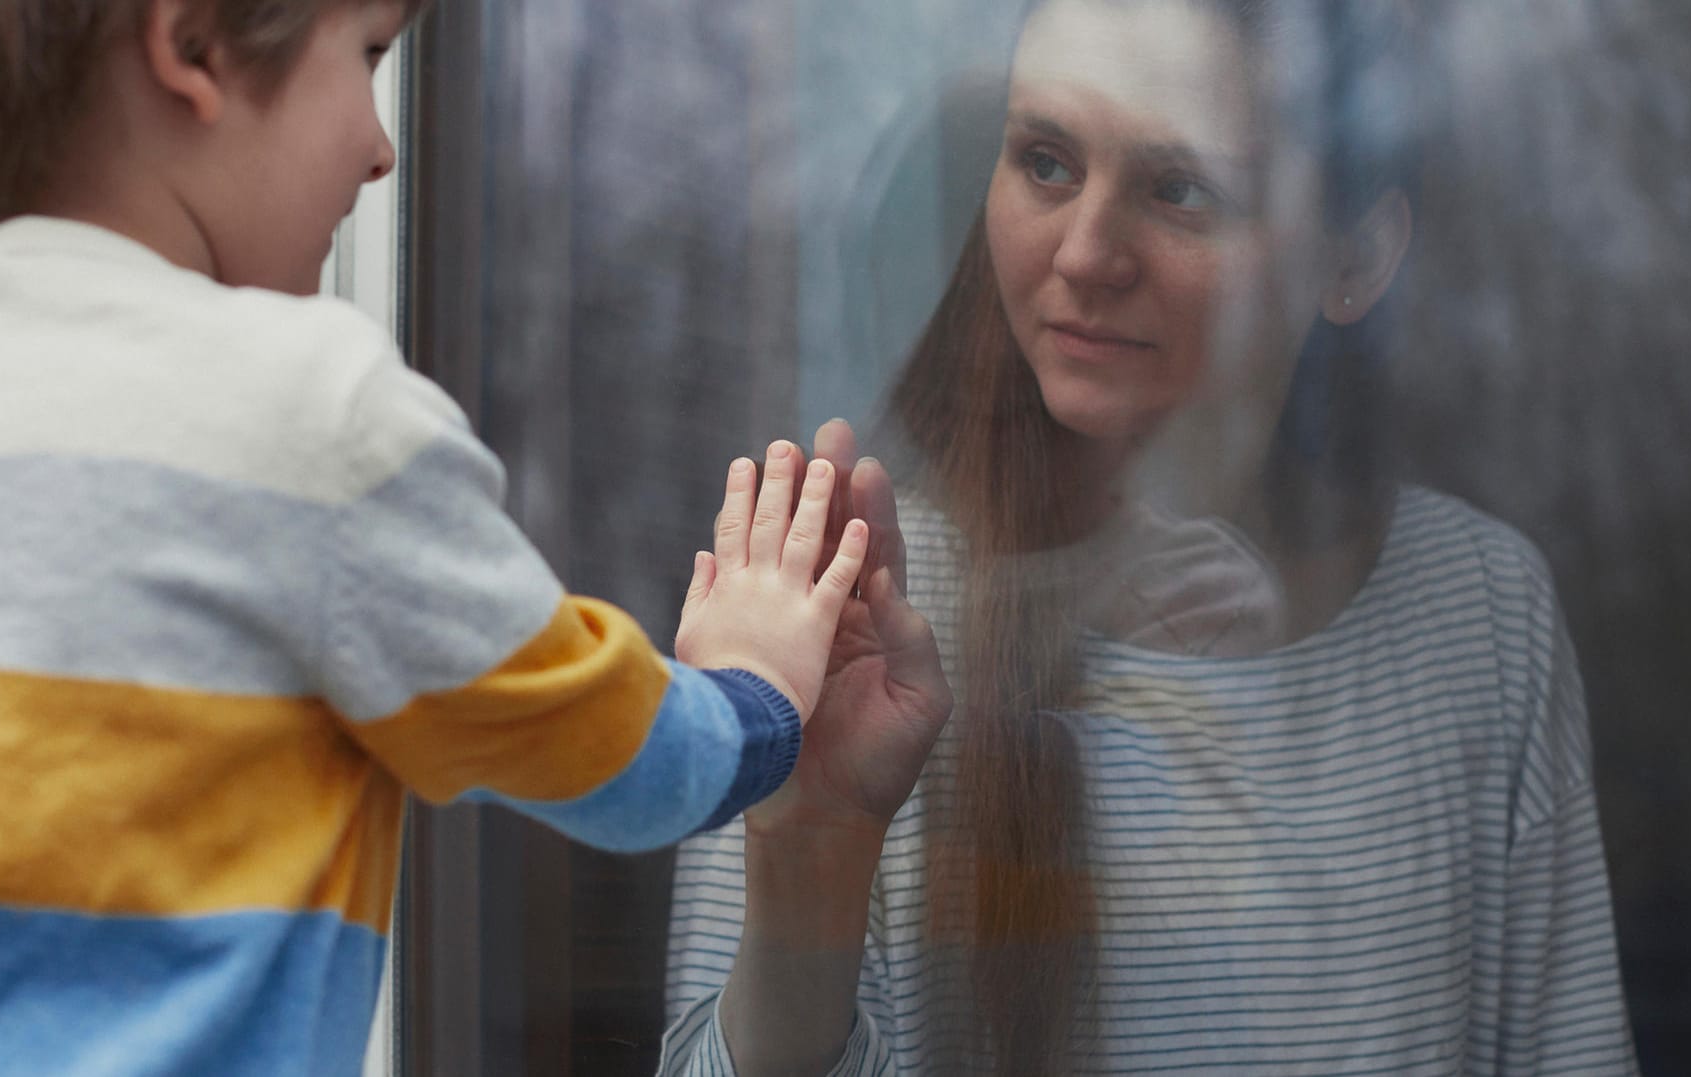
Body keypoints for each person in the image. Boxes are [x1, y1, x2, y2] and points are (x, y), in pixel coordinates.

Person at [0, 0, 872, 1071]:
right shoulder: (304, 407)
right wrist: (760, 691)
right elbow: (628, 766)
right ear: (192, 50)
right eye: (367, 57)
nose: (382, 153)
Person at [661, 1, 1639, 1074]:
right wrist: (811, 853)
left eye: (1181, 190)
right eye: (1044, 162)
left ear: (1355, 253)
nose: (1086, 254)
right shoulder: (846, 612)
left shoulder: (1477, 611)